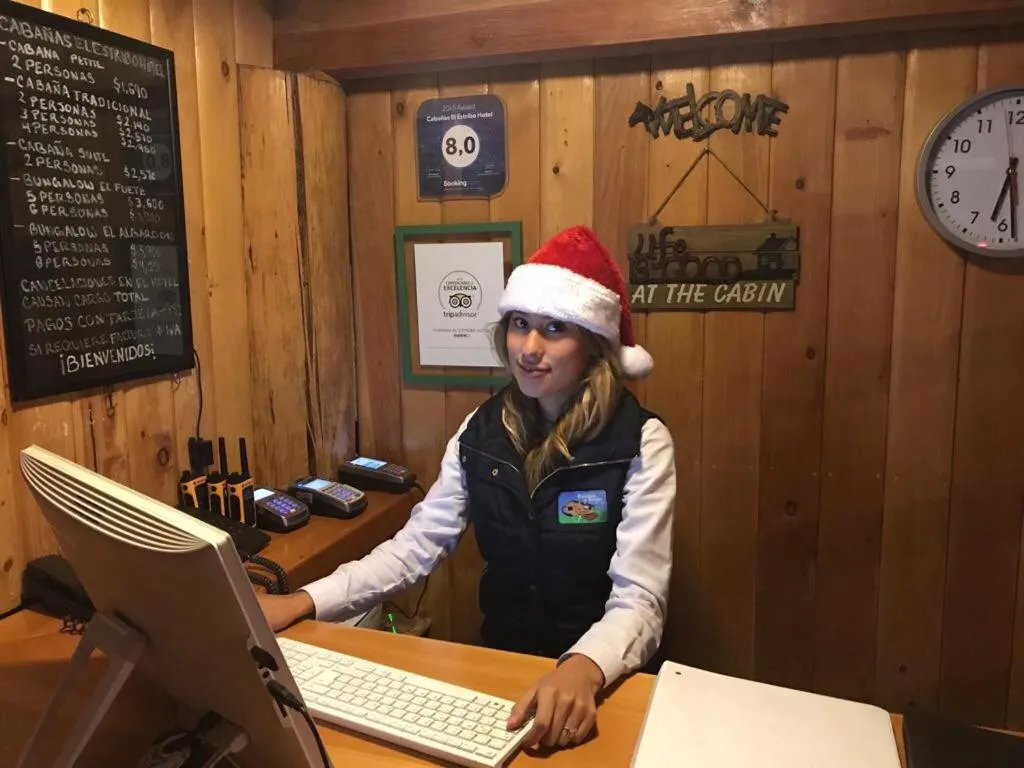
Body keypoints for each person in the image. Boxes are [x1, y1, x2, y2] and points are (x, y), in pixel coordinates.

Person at [258, 225, 676, 751]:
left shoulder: (640, 440)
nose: (529, 347)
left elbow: (641, 599)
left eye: (554, 329)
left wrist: (584, 667)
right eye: (520, 325)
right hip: (501, 667)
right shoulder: (480, 430)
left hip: (605, 682)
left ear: (592, 344)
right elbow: (415, 548)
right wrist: (303, 600)